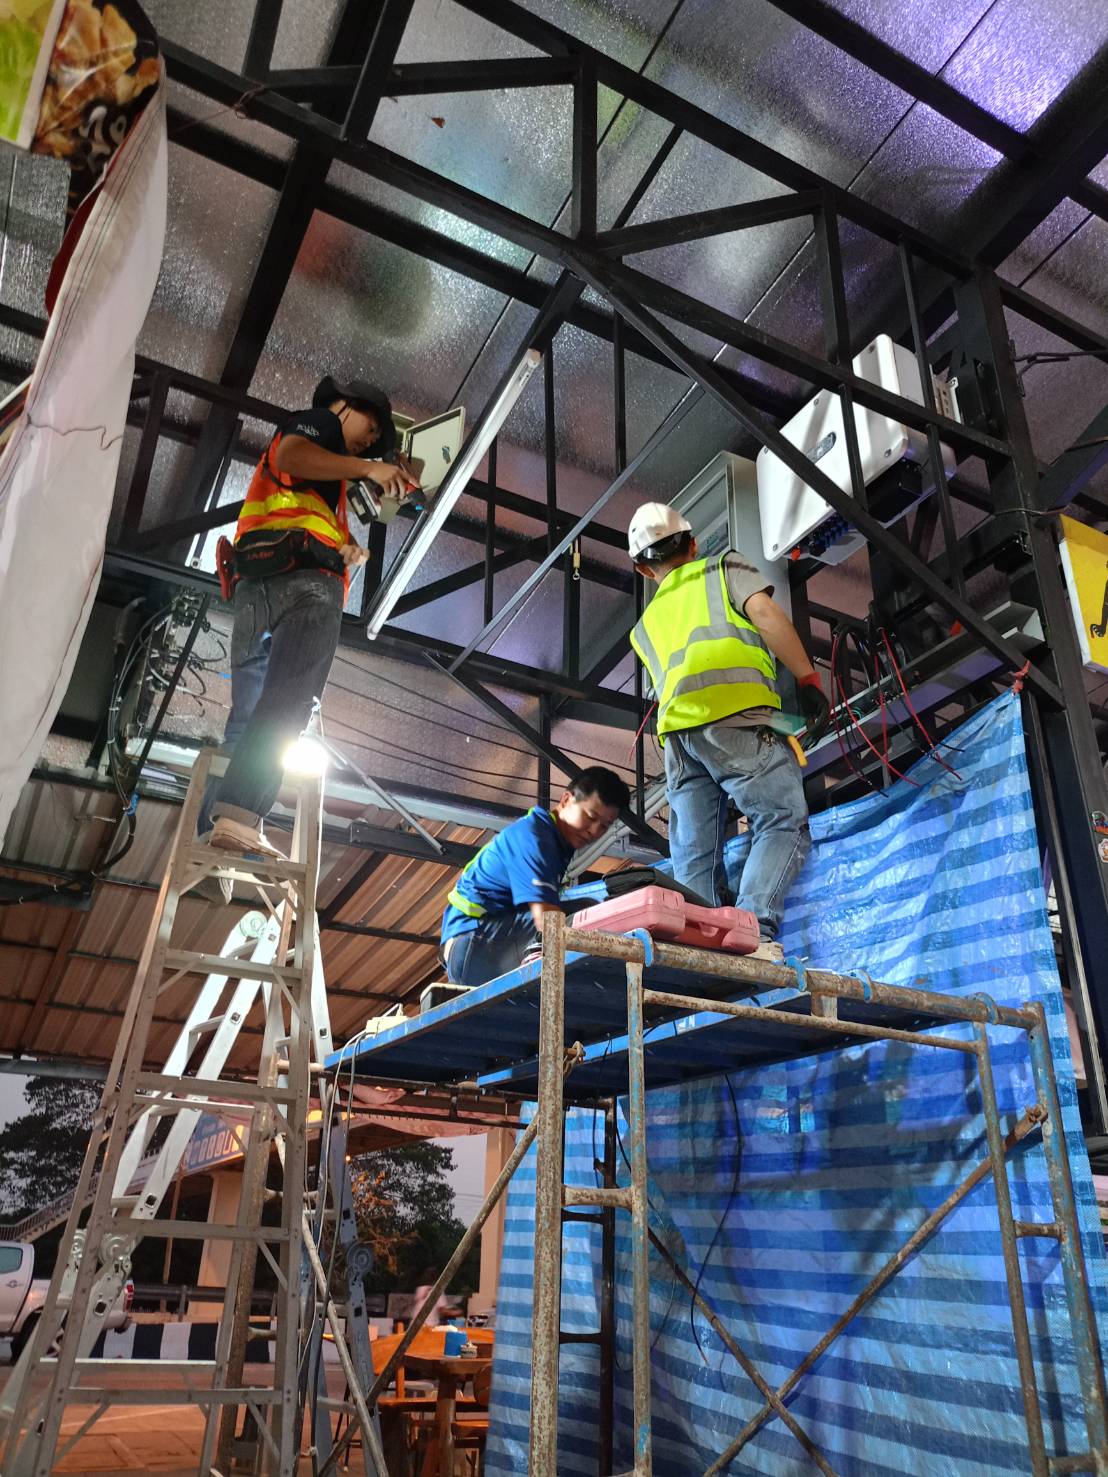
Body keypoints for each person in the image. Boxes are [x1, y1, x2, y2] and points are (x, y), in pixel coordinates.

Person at [203, 374, 417, 858]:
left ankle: (215, 834)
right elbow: (291, 455)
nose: (369, 439)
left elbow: (299, 500)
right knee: (289, 703)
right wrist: (368, 468)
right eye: (370, 426)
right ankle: (238, 818)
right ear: (344, 406)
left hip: (258, 582)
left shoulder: (326, 481)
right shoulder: (320, 422)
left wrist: (346, 548)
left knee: (249, 718)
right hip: (304, 589)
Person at [626, 502, 830, 958]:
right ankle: (754, 931)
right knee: (780, 817)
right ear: (694, 544)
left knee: (694, 854)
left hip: (680, 742)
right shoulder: (722, 568)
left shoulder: (643, 628)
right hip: (737, 720)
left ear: (643, 569)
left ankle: (697, 949)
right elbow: (766, 616)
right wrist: (808, 680)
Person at [439, 767, 631, 987]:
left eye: (604, 826)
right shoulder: (533, 838)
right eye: (590, 817)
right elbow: (547, 920)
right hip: (473, 944)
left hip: (483, 942)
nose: (594, 831)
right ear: (566, 799)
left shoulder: (556, 844)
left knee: (581, 913)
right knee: (579, 916)